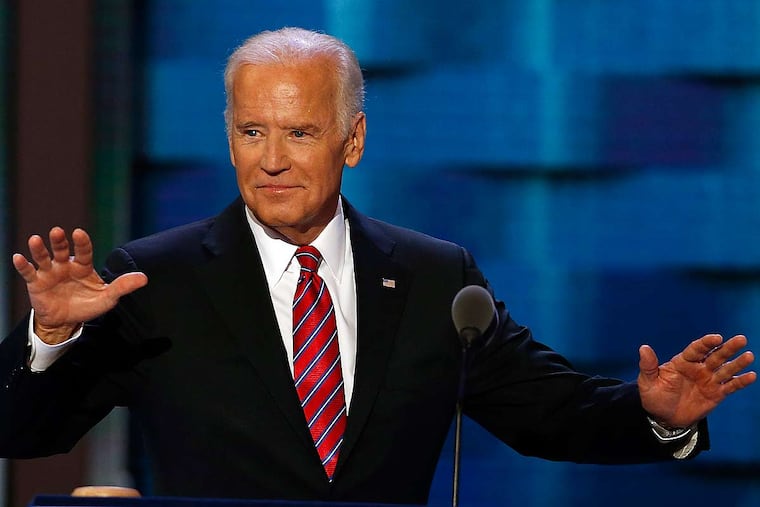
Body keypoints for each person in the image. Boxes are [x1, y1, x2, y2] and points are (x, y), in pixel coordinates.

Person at [0, 27, 755, 505]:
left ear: (352, 140)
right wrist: (50, 336)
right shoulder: (154, 278)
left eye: (299, 132)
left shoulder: (435, 279)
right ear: (228, 139)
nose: (270, 161)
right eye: (251, 131)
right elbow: (23, 431)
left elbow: (546, 413)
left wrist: (653, 415)